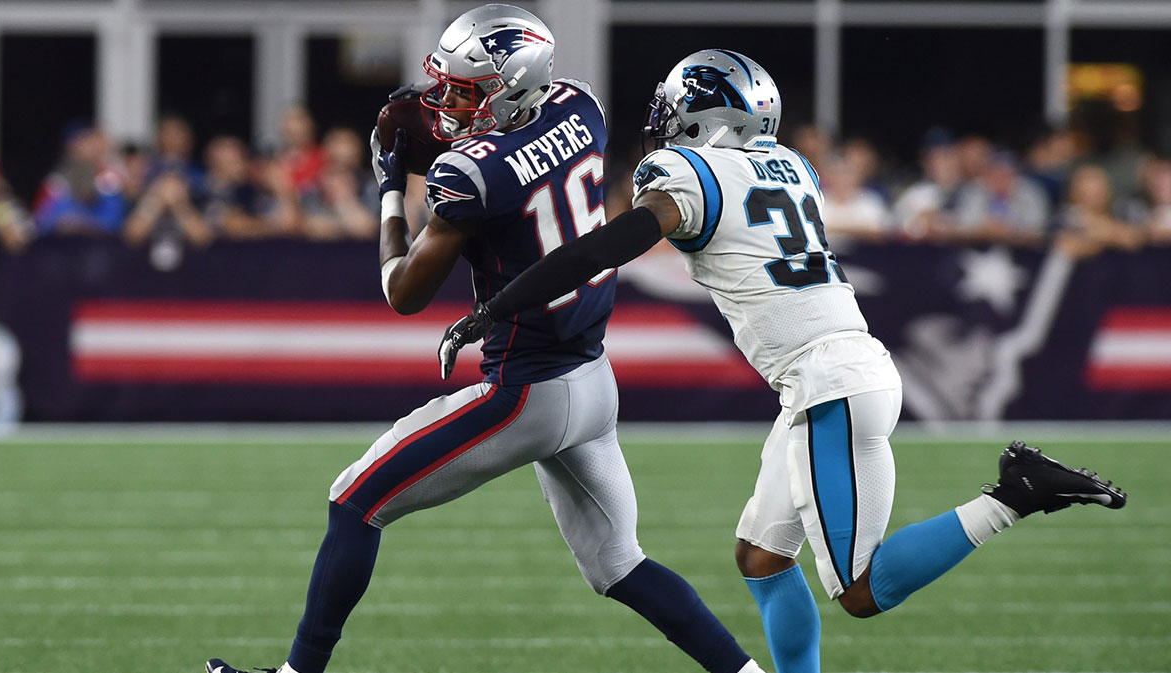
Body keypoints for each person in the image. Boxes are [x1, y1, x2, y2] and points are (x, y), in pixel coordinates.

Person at [438, 49, 1128, 673]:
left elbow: (605, 247)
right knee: (761, 557)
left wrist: (497, 306)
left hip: (828, 381)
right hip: (835, 372)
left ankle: (1015, 493)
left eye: (676, 111)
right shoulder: (796, 168)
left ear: (707, 116)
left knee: (859, 590)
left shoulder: (685, 171)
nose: (664, 126)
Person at [205, 7, 765, 673]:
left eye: (463, 90)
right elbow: (514, 156)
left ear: (508, 88)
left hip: (525, 391)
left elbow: (402, 291)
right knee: (621, 563)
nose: (445, 101)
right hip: (593, 379)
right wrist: (443, 121)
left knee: (354, 500)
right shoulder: (581, 106)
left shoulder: (468, 174)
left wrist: (391, 184)